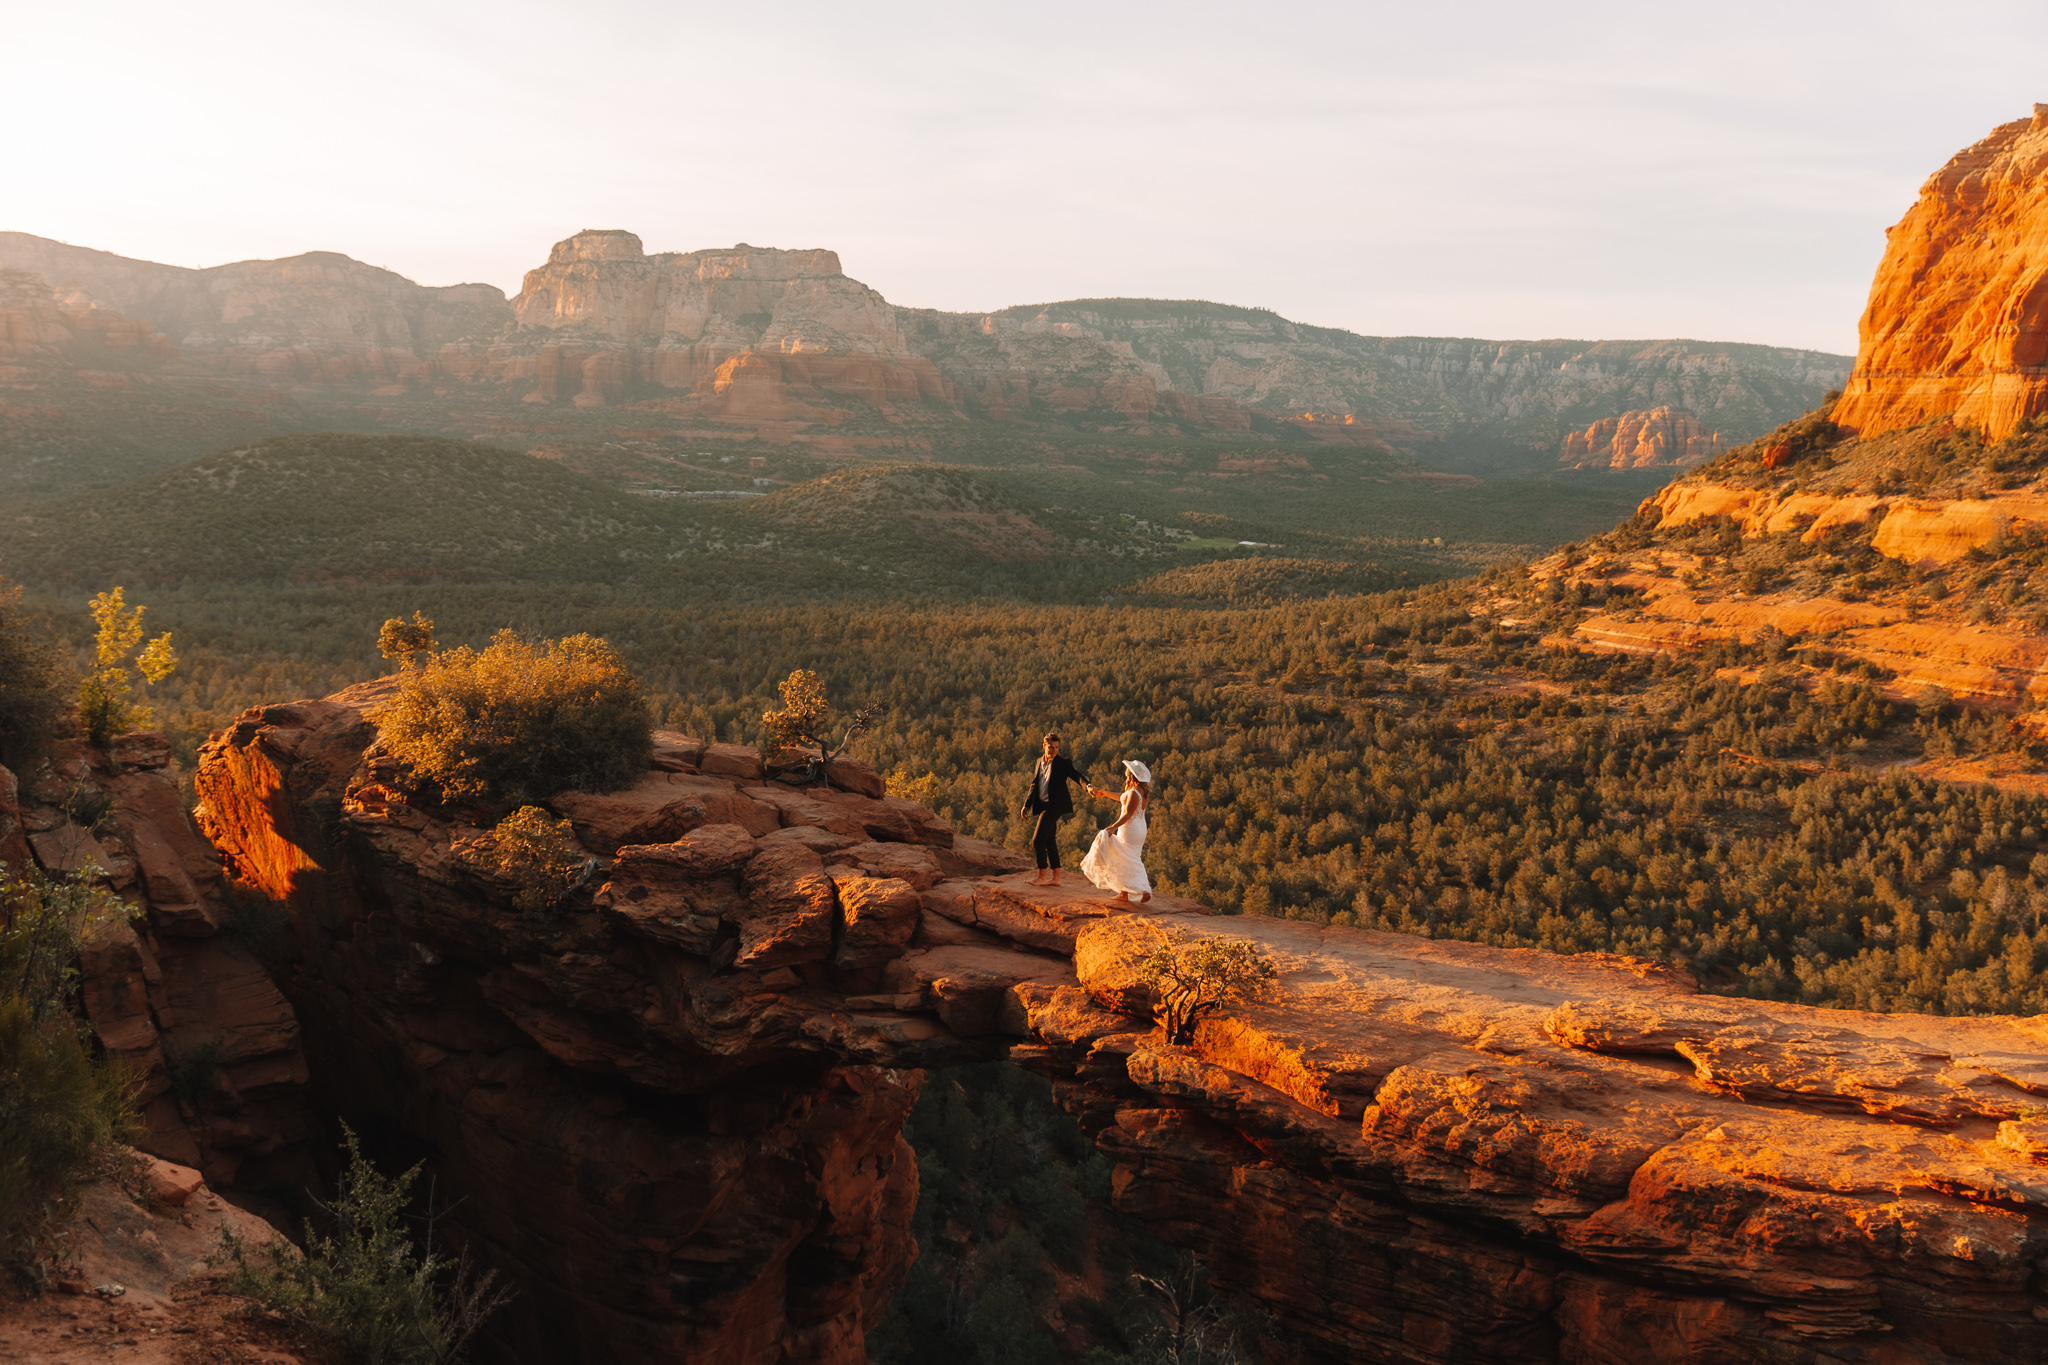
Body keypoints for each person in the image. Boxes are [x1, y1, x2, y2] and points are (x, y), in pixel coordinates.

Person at [1020, 733, 1091, 886]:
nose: (1053, 750)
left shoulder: (1062, 763)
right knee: (1049, 840)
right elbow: (1034, 785)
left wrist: (1088, 786)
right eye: (1051, 747)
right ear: (1044, 746)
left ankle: (1042, 876)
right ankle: (1056, 878)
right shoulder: (1039, 762)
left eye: (1056, 748)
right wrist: (1026, 805)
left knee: (1038, 840)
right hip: (1043, 804)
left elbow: (1076, 775)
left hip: (1055, 806)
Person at [1080, 760, 1152, 903]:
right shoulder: (1142, 791)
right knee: (1130, 857)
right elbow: (1122, 798)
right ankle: (1126, 893)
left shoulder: (1133, 792)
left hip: (1130, 828)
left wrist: (1113, 827)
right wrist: (1105, 793)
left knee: (1123, 855)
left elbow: (1128, 814)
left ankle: (1143, 889)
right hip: (1140, 828)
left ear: (1131, 774)